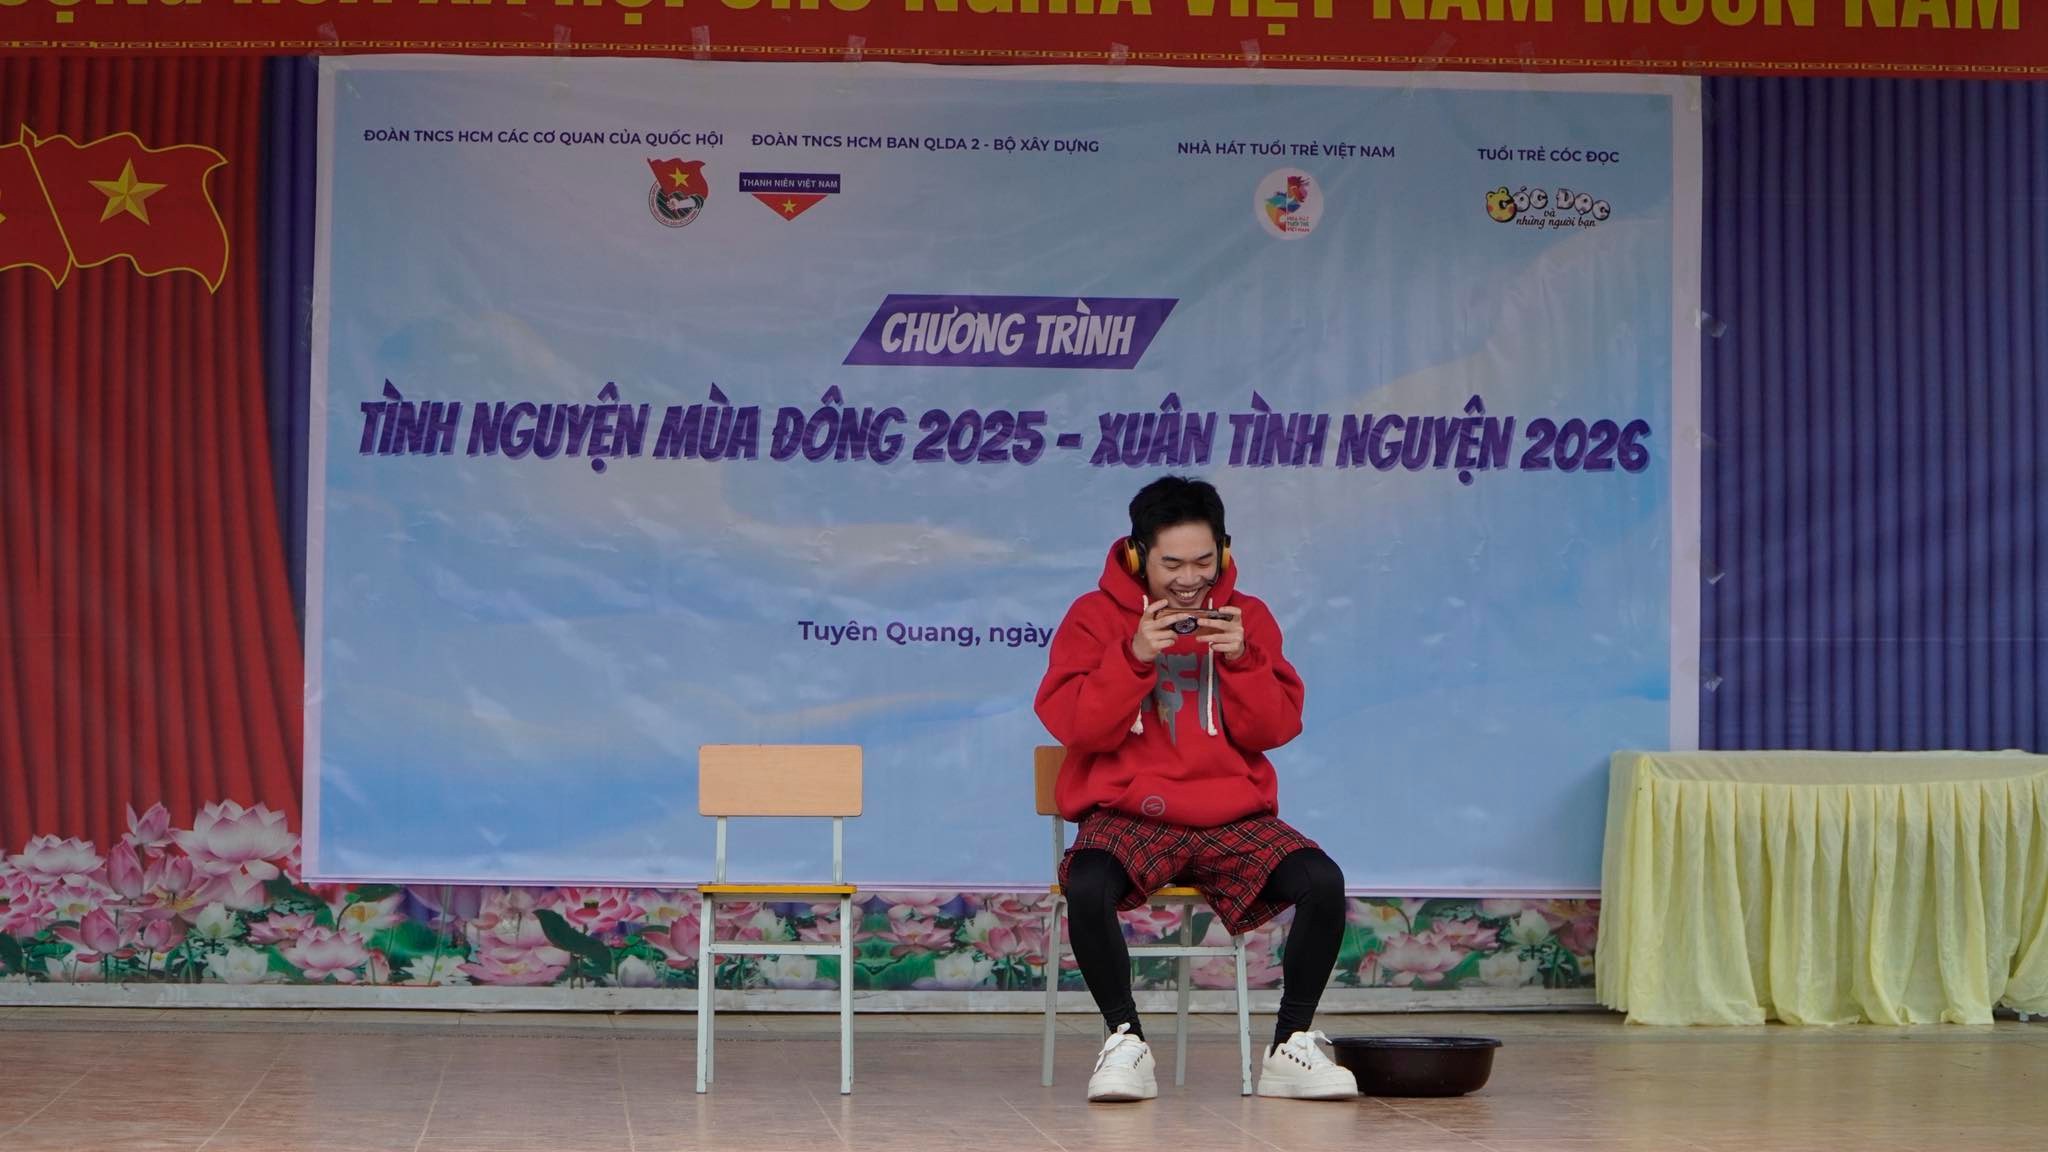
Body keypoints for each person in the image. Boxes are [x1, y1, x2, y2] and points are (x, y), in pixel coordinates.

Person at [1034, 475, 1357, 1102]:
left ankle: (1290, 1045)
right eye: (1172, 564)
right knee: (1088, 883)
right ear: (1137, 556)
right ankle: (1125, 1041)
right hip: (1130, 813)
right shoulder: (1093, 617)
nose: (1190, 580)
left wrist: (1243, 661)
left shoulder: (1248, 617)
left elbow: (1275, 729)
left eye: (1204, 561)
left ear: (1225, 551)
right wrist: (1132, 656)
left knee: (1322, 880)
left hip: (1232, 816)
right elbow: (1079, 730)